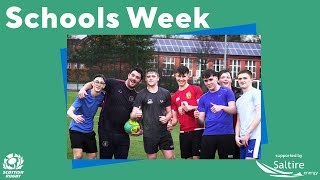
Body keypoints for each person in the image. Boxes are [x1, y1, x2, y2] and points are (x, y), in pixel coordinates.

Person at [78, 68, 143, 159]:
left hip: (123, 134)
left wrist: (141, 128)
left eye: (137, 77)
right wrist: (83, 89)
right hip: (106, 131)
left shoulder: (137, 96)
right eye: (133, 75)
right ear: (128, 75)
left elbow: (138, 114)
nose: (134, 78)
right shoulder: (114, 83)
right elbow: (95, 83)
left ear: (140, 81)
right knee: (105, 159)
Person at [130, 68, 174, 159]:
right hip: (149, 134)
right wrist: (135, 115)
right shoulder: (141, 95)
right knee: (152, 159)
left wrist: (166, 119)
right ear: (145, 79)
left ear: (158, 78)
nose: (151, 78)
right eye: (148, 76)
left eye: (153, 76)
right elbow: (132, 115)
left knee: (170, 158)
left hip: (164, 132)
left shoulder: (165, 93)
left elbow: (170, 112)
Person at [195, 69, 236, 159]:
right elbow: (201, 122)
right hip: (208, 134)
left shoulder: (227, 92)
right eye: (206, 81)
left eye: (210, 79)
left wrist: (221, 107)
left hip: (226, 134)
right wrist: (197, 117)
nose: (208, 83)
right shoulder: (203, 98)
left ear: (217, 79)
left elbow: (233, 110)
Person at [67, 74, 106, 159]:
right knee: (78, 156)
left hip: (89, 130)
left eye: (101, 83)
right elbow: (69, 111)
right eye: (97, 82)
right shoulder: (83, 95)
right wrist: (75, 117)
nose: (98, 84)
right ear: (92, 83)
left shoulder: (102, 97)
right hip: (76, 129)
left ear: (103, 86)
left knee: (93, 157)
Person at [170, 66, 203, 159]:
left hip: (197, 130)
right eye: (178, 76)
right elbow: (175, 119)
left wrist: (190, 108)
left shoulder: (196, 89)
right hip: (183, 132)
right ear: (175, 76)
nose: (181, 79)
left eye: (183, 76)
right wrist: (168, 123)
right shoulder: (174, 97)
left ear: (188, 76)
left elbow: (202, 108)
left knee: (197, 159)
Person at [235, 70, 261, 159]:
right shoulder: (239, 100)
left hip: (254, 137)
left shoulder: (257, 93)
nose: (242, 80)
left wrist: (248, 133)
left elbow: (259, 115)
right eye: (240, 79)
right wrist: (236, 136)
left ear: (251, 79)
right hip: (243, 139)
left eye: (245, 78)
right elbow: (239, 121)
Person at [218, 70, 243, 159]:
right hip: (223, 132)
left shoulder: (240, 92)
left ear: (231, 80)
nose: (225, 79)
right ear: (218, 80)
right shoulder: (214, 94)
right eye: (223, 77)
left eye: (228, 77)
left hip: (239, 130)